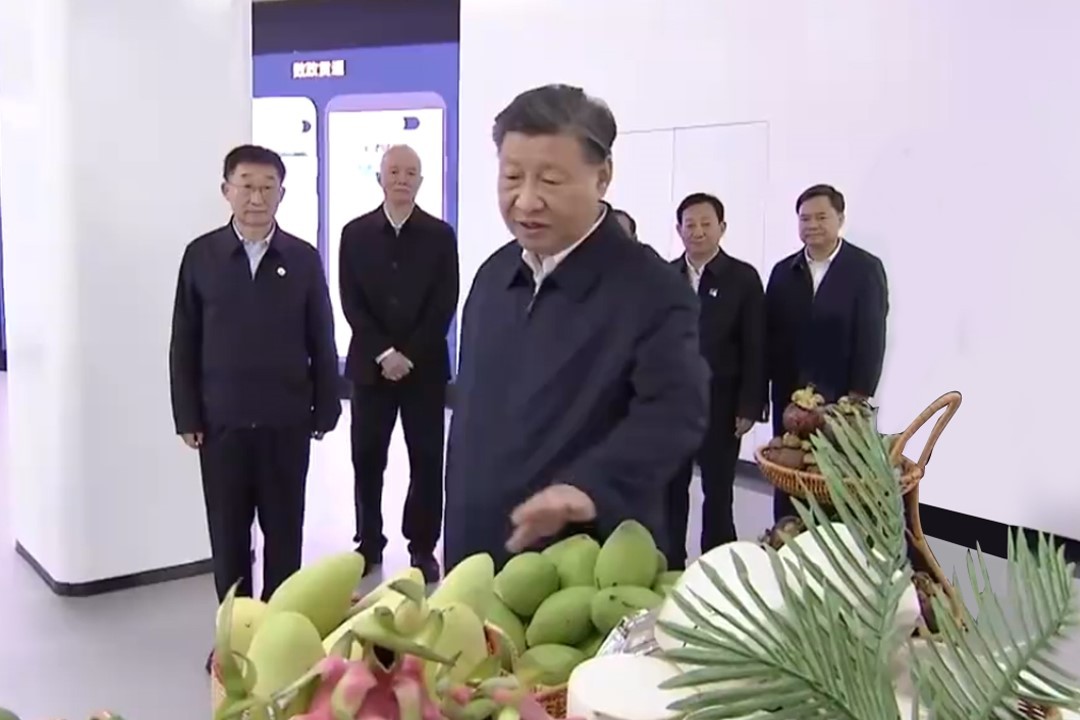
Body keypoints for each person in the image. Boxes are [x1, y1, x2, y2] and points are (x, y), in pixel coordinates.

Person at [443, 84, 709, 570]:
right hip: (476, 547)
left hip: (581, 560)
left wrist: (590, 488)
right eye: (511, 177)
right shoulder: (494, 275)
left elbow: (676, 412)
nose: (526, 201)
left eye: (550, 180)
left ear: (602, 176)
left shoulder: (650, 288)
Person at [169, 144, 340, 668]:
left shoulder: (302, 258)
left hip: (286, 421)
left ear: (282, 193)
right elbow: (184, 340)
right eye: (246, 186)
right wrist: (187, 415)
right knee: (228, 537)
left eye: (268, 187)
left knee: (285, 533)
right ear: (227, 191)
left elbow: (321, 336)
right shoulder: (201, 256)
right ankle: (235, 638)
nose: (257, 197)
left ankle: (279, 638)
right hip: (221, 423)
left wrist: (326, 407)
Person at [338, 144, 459, 583]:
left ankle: (422, 546)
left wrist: (409, 353)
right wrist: (384, 352)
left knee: (426, 459)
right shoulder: (355, 233)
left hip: (423, 369)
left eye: (410, 173)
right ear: (380, 178)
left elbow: (445, 301)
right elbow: (350, 299)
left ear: (421, 181)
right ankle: (368, 542)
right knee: (367, 457)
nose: (402, 179)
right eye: (394, 171)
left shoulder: (440, 235)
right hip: (370, 370)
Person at [766, 184, 889, 521]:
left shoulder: (864, 269)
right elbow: (769, 334)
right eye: (805, 218)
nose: (812, 225)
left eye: (821, 217)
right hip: (791, 400)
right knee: (790, 477)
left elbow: (872, 335)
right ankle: (786, 539)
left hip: (841, 399)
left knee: (834, 481)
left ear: (840, 219)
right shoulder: (783, 272)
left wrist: (859, 395)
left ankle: (832, 546)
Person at [666, 193, 766, 568]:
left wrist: (750, 405)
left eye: (706, 224)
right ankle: (670, 562)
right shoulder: (665, 276)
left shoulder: (742, 278)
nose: (697, 232)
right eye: (689, 225)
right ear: (678, 229)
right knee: (670, 488)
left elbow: (756, 345)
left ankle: (718, 567)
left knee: (718, 490)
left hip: (722, 403)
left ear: (722, 228)